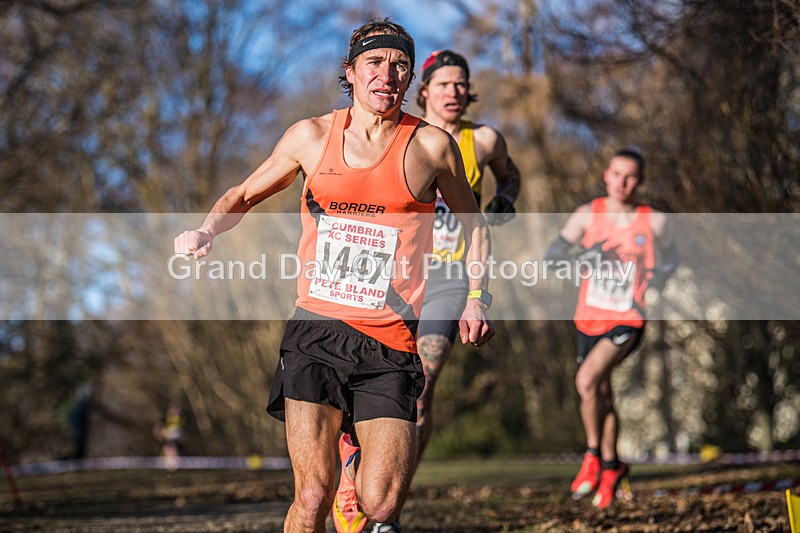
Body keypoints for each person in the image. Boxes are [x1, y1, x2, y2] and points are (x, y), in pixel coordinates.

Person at [173, 19, 495, 533]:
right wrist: (207, 230)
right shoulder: (310, 136)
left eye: (399, 66)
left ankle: (356, 462)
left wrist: (477, 296)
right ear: (350, 71)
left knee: (382, 504)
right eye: (374, 63)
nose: (386, 75)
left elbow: (475, 226)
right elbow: (243, 193)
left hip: (391, 338)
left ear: (410, 78)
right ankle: (337, 466)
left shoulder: (431, 146)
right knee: (314, 493)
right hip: (316, 331)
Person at [365, 48, 522, 533]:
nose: (454, 91)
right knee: (373, 386)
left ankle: (389, 509)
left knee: (421, 388)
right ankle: (362, 475)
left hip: (450, 278)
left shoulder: (485, 139)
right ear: (425, 89)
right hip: (394, 280)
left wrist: (503, 199)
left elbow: (512, 176)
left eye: (462, 83)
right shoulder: (403, 134)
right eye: (445, 83)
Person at [544, 149, 678, 508]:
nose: (622, 182)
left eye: (631, 176)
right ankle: (611, 466)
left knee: (586, 381)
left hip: (627, 318)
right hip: (588, 317)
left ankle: (591, 457)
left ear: (641, 180)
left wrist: (656, 284)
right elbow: (551, 260)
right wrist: (584, 258)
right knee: (600, 392)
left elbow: (673, 258)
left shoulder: (654, 222)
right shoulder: (587, 215)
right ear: (606, 175)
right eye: (617, 174)